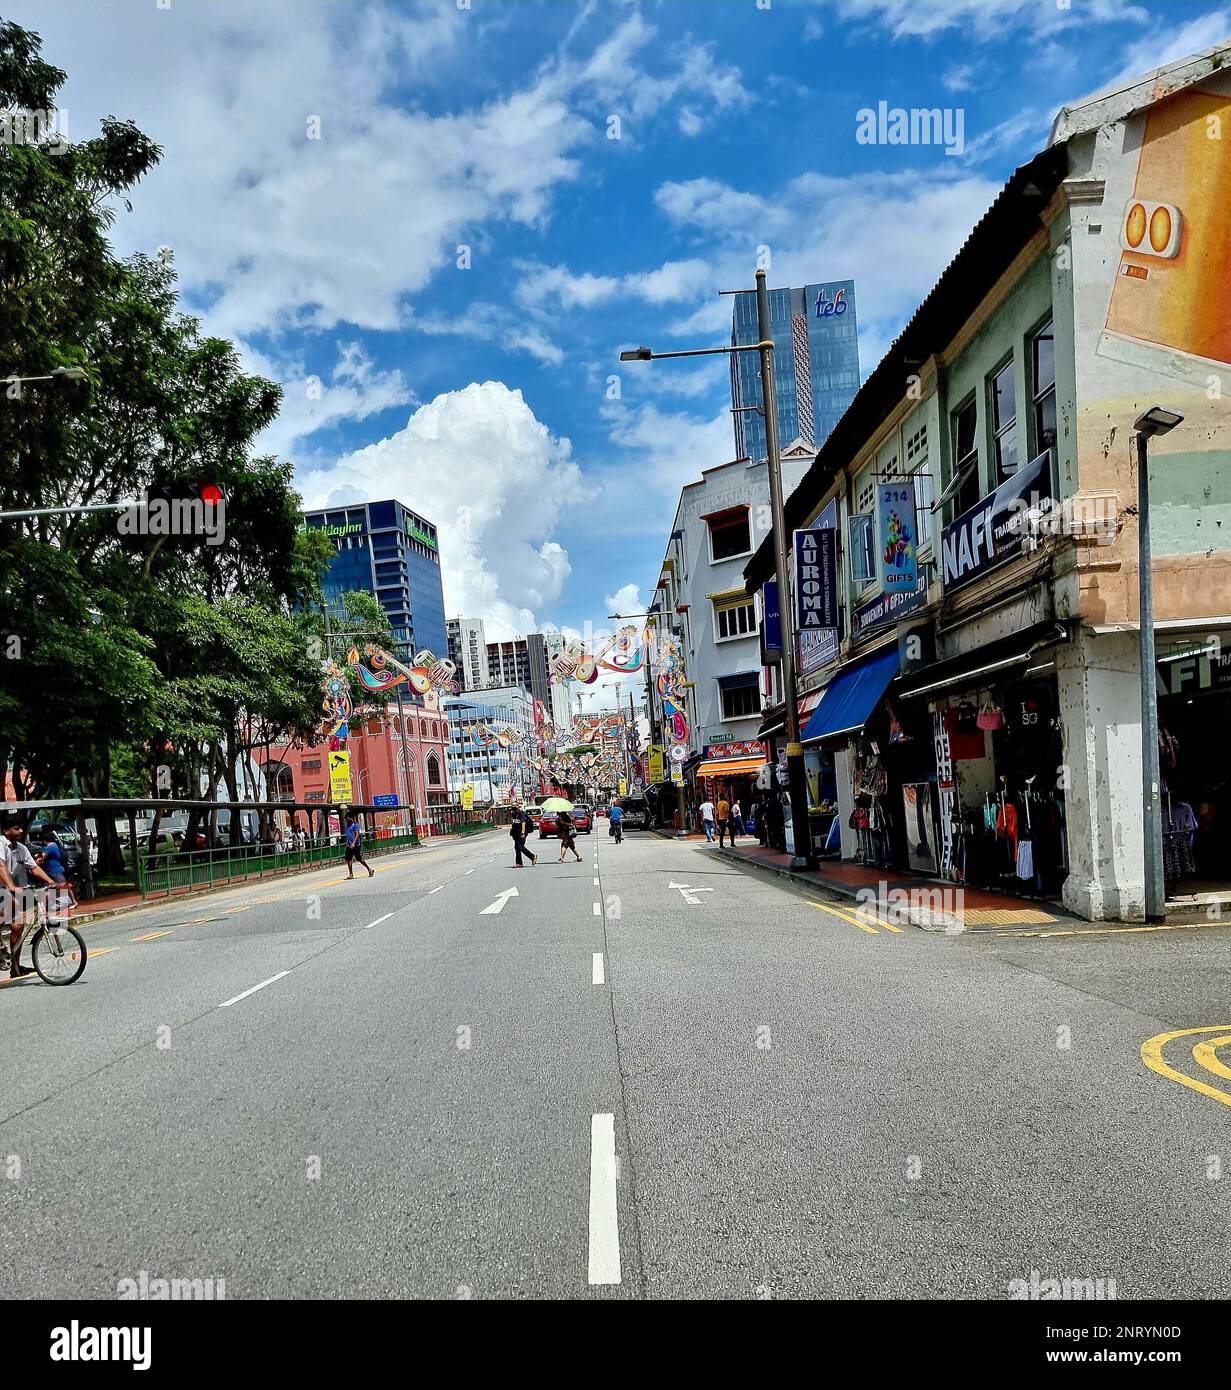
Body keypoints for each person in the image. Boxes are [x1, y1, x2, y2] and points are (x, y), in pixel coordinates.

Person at [2, 819, 57, 977]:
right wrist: (11, 887)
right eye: (16, 828)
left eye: (21, 829)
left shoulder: (21, 848)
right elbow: (1, 866)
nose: (20, 831)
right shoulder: (0, 843)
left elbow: (34, 868)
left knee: (18, 927)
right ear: (6, 831)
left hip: (6, 889)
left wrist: (51, 882)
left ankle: (15, 968)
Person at [35, 831, 78, 910]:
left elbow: (42, 856)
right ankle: (50, 905)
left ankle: (73, 902)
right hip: (53, 871)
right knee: (53, 887)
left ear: (44, 840)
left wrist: (36, 861)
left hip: (55, 871)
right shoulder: (55, 846)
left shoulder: (50, 847)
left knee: (64, 886)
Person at [344, 813, 374, 879]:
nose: (346, 820)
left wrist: (354, 843)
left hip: (356, 845)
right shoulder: (348, 826)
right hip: (349, 845)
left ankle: (369, 869)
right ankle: (351, 874)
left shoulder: (355, 825)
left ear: (350, 818)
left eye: (347, 818)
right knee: (348, 859)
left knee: (359, 859)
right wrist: (349, 843)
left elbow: (357, 834)